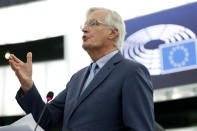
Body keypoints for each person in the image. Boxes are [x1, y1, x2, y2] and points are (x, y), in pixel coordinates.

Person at [9, 7, 154, 131]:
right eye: (84, 25)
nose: (84, 29)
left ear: (112, 33)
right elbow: (46, 118)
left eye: (93, 24)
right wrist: (27, 85)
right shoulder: (77, 78)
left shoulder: (132, 72)